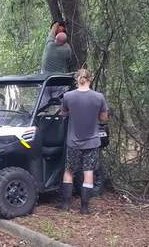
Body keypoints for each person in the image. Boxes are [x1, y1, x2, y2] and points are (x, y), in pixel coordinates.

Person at [56, 69, 109, 214]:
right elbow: (104, 118)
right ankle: (84, 208)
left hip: (73, 142)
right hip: (92, 142)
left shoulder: (68, 96)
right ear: (90, 79)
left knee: (69, 171)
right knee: (88, 172)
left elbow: (63, 113)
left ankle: (66, 205)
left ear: (76, 79)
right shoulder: (99, 97)